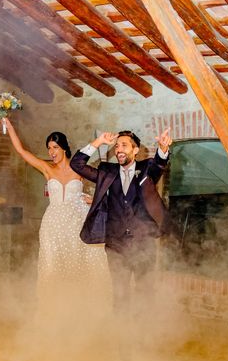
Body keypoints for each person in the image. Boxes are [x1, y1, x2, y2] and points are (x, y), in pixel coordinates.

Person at [2, 118, 110, 309]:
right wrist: (10, 127)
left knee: (77, 265)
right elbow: (21, 151)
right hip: (52, 224)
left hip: (76, 222)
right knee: (52, 266)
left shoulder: (78, 168)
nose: (51, 152)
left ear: (64, 148)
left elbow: (105, 186)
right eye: (49, 148)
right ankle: (52, 309)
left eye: (55, 148)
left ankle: (78, 308)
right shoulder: (47, 168)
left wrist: (93, 200)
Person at [70, 128, 173, 303]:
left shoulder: (147, 168)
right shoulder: (107, 172)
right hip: (115, 245)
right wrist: (99, 141)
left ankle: (142, 329)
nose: (119, 149)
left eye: (124, 145)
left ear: (135, 150)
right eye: (117, 146)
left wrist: (163, 149)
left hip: (143, 244)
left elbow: (159, 164)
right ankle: (121, 329)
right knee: (119, 294)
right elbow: (77, 164)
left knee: (145, 293)